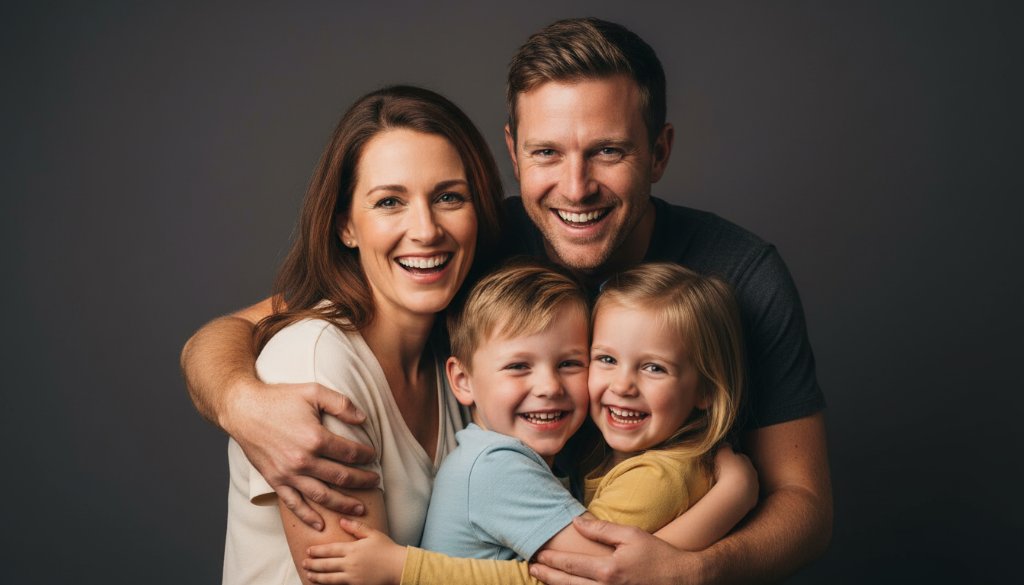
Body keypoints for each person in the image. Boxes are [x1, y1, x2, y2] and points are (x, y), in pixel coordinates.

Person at [182, 17, 832, 583]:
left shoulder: (740, 273)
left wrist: (695, 571)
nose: (576, 188)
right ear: (515, 154)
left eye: (608, 151)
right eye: (547, 152)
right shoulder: (468, 247)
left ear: (658, 152)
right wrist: (242, 401)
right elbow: (242, 330)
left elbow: (805, 502)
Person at [299, 260, 756, 585]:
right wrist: (736, 495)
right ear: (462, 380)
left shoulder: (514, 458)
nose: (549, 387)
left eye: (571, 363)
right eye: (519, 367)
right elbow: (610, 572)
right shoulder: (499, 467)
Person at [221, 85, 505, 585]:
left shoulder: (459, 355)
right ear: (345, 226)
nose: (426, 229)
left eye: (448, 197)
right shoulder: (315, 363)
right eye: (390, 202)